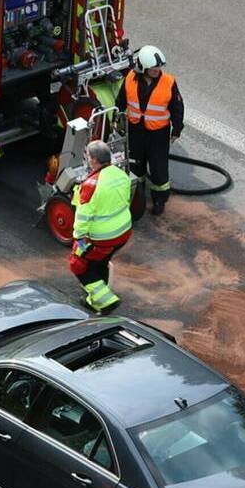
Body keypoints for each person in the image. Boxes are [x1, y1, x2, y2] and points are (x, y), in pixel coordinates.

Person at [67, 139, 132, 312]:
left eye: (88, 156)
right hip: (124, 232)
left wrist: (78, 239)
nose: (87, 159)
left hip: (102, 238)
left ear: (94, 160)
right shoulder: (121, 174)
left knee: (78, 263)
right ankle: (94, 299)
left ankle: (106, 301)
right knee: (99, 262)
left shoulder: (90, 185)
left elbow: (83, 216)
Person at [122, 44, 183, 215]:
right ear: (142, 67)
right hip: (135, 130)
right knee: (135, 164)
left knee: (158, 167)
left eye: (159, 67)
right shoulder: (129, 79)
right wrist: (116, 120)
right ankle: (137, 194)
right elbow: (121, 100)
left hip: (158, 134)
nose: (157, 71)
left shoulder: (168, 82)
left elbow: (177, 107)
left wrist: (177, 129)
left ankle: (159, 199)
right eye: (153, 68)